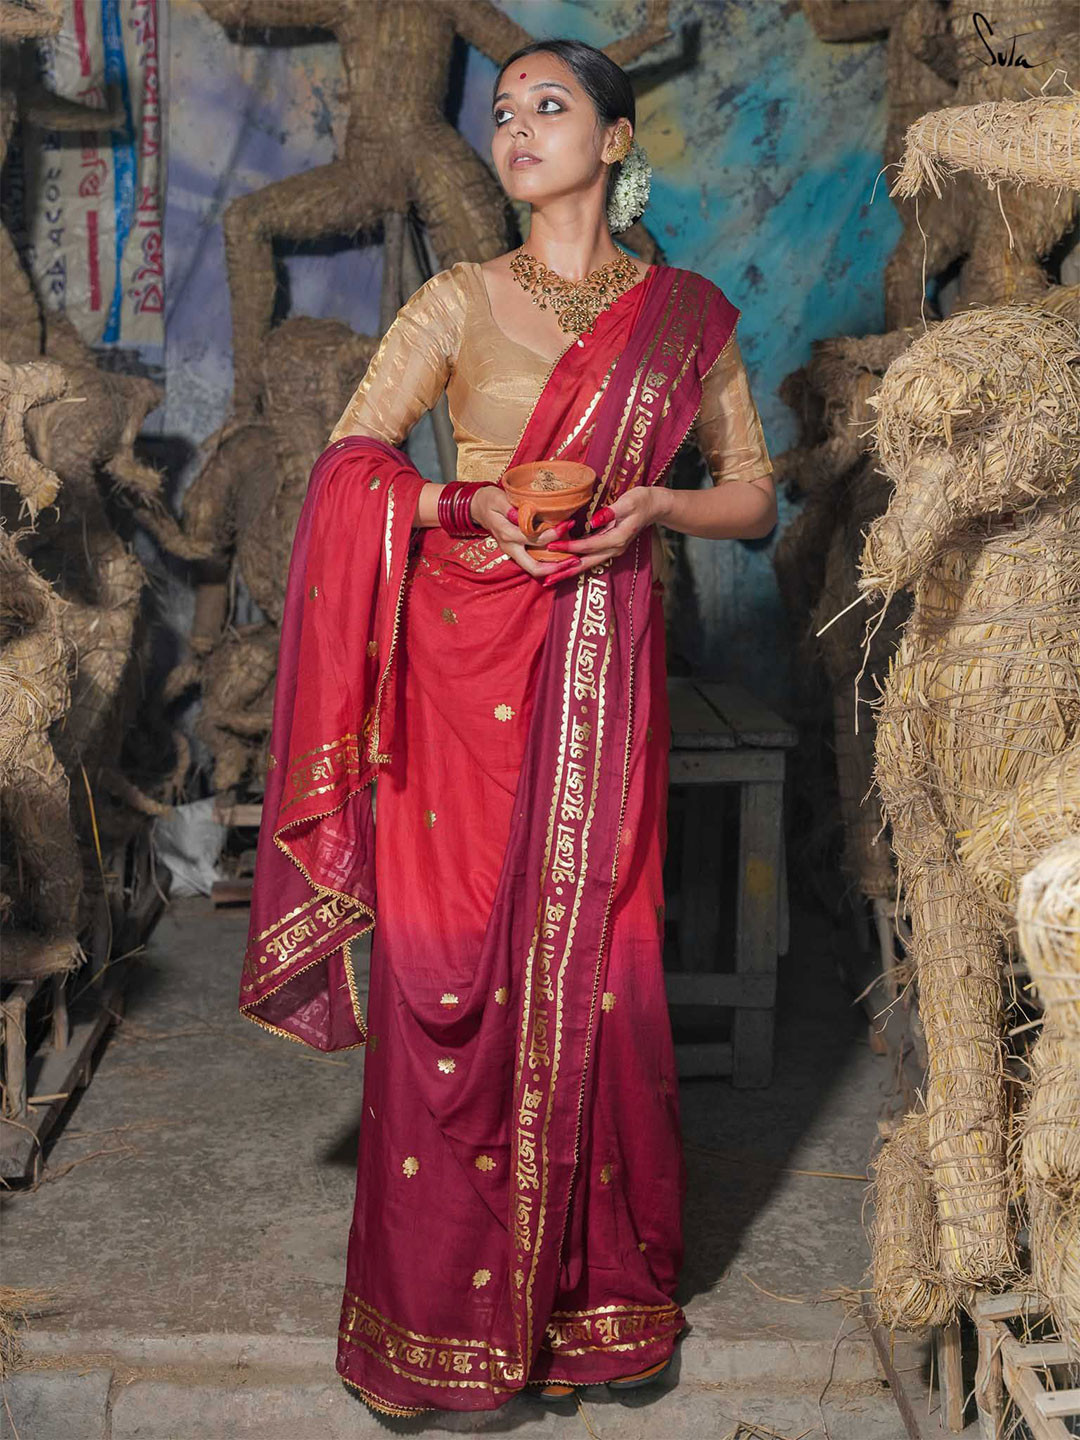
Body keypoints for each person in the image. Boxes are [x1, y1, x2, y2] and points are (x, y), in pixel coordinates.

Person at [240, 36, 776, 1420]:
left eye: (551, 108)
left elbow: (756, 502)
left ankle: (598, 1316)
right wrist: (464, 508)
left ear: (616, 138)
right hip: (456, 671)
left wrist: (656, 511)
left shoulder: (689, 319)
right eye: (505, 113)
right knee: (450, 971)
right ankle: (433, 1331)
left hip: (605, 666)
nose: (519, 130)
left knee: (601, 963)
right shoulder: (458, 300)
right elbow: (351, 469)